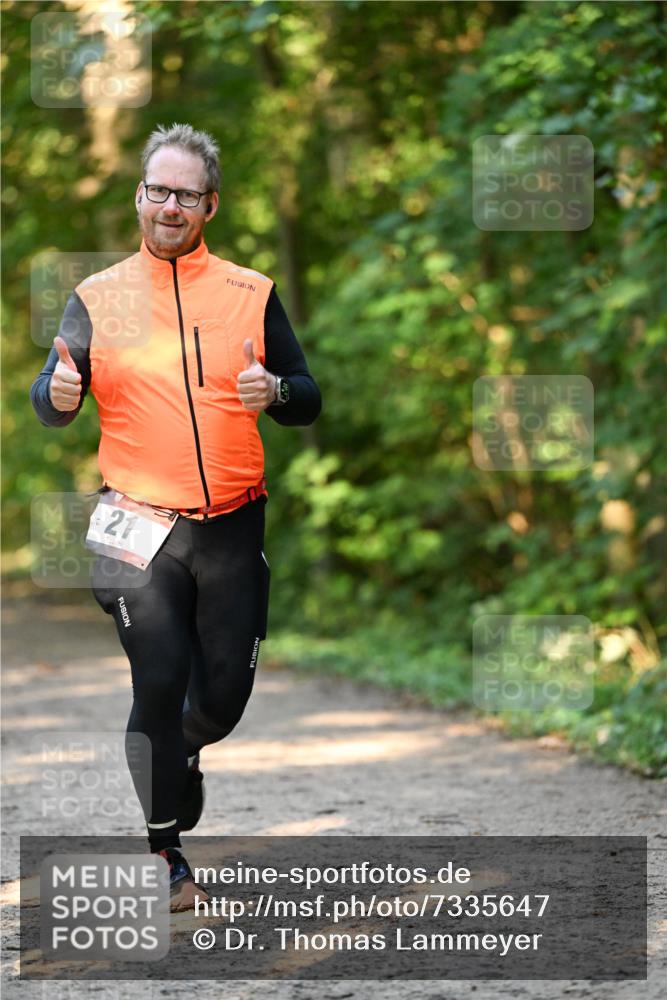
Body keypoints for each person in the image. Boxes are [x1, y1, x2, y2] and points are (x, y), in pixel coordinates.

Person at [30, 123, 322, 911]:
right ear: (139, 195)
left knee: (217, 703)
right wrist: (55, 397)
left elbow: (304, 395)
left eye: (186, 194)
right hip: (135, 523)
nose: (169, 205)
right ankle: (166, 850)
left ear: (209, 206)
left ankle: (181, 755)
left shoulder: (250, 294)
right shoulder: (98, 298)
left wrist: (279, 394)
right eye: (157, 190)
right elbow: (52, 393)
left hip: (231, 527)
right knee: (156, 676)